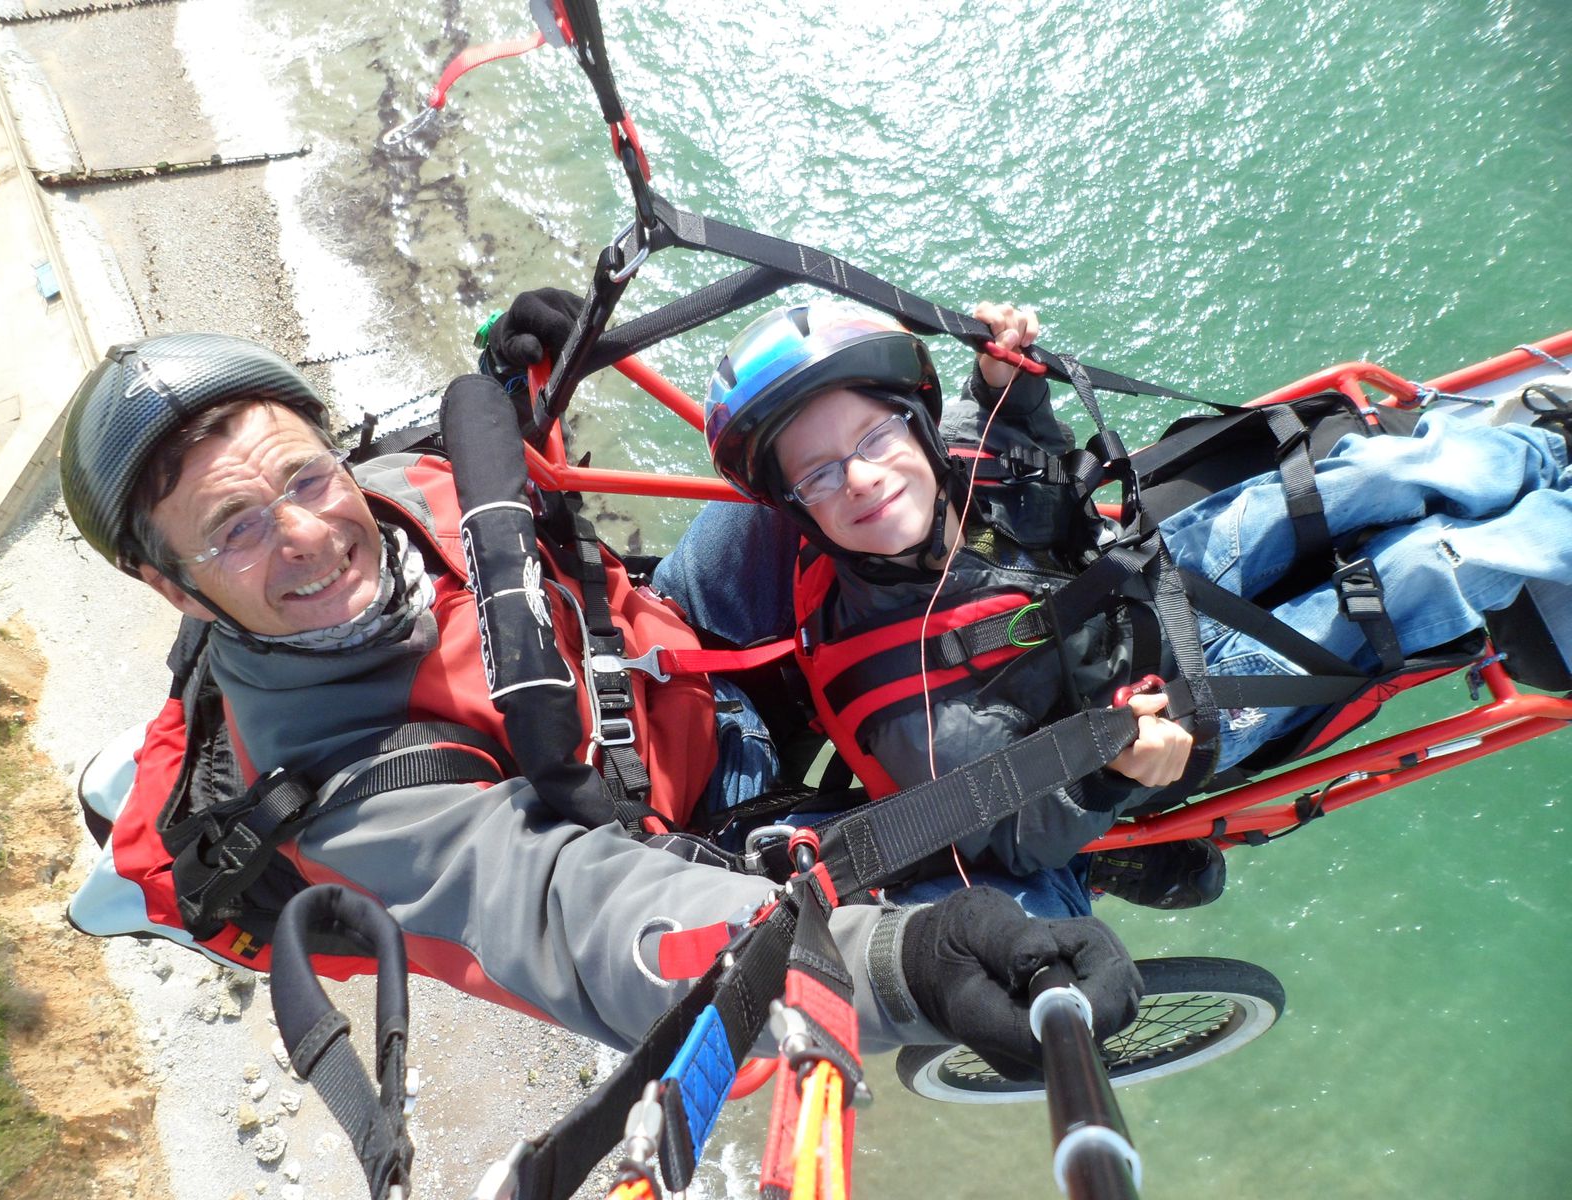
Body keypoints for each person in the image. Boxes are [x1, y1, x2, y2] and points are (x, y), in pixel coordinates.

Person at [57, 331, 1145, 1074]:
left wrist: (539, 379)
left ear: (332, 451)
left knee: (820, 442)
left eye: (302, 479)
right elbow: (588, 921)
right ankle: (1105, 835)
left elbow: (527, 510)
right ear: (171, 588)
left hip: (674, 653)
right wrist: (901, 965)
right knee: (1032, 917)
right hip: (699, 827)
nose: (305, 535)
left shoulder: (400, 491)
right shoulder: (355, 797)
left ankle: (1017, 477)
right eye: (235, 529)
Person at [659, 298, 1572, 909]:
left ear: (915, 420)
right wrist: (1111, 774)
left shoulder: (953, 464)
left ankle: (1544, 451)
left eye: (874, 435)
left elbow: (1024, 457)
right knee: (1412, 577)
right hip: (1165, 712)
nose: (861, 477)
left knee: (1369, 473)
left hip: (1144, 580)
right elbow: (1016, 837)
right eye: (820, 475)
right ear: (795, 511)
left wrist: (1007, 388)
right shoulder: (914, 719)